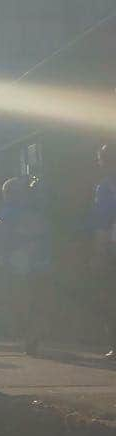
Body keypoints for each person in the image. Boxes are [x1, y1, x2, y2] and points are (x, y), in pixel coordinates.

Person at [0, 176, 50, 355]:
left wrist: (1, 255)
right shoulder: (35, 210)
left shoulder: (9, 211)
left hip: (18, 262)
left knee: (21, 299)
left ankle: (29, 336)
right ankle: (33, 336)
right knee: (35, 300)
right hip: (39, 261)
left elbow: (1, 234)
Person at [90, 144, 116, 360]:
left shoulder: (106, 187)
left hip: (113, 246)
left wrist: (99, 252)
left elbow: (102, 222)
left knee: (110, 296)